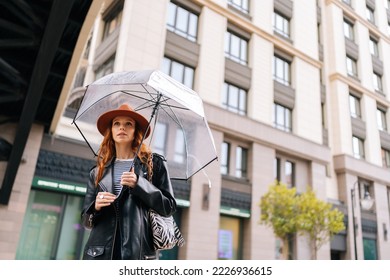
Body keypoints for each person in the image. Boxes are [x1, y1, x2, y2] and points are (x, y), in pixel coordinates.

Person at [81, 103, 177, 260]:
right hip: (100, 255)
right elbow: (86, 221)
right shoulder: (97, 172)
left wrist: (139, 184)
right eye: (116, 123)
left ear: (136, 131)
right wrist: (95, 206)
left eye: (128, 124)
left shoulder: (154, 164)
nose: (122, 128)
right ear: (110, 131)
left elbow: (169, 206)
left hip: (137, 254)